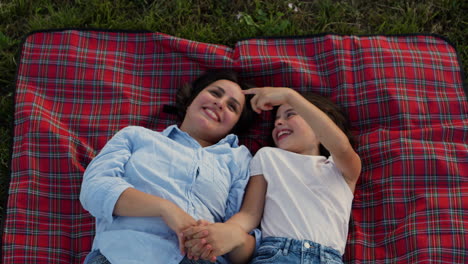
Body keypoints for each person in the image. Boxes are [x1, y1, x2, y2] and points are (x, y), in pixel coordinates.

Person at [79, 70, 260, 264]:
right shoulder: (136, 137)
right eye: (215, 93)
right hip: (124, 254)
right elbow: (94, 189)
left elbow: (242, 244)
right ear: (191, 99)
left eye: (232, 107)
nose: (220, 103)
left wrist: (232, 237)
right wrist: (166, 209)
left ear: (235, 125)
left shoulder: (237, 160)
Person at [182, 87, 361, 264]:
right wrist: (221, 232)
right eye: (277, 119)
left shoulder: (341, 169)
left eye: (290, 114)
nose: (278, 123)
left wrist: (290, 96)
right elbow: (250, 214)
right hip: (276, 255)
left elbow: (341, 145)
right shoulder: (268, 157)